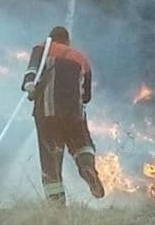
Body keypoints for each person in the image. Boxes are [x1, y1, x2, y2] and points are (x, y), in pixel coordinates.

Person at [22, 26, 105, 205]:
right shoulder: (82, 58)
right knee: (82, 145)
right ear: (67, 41)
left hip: (48, 112)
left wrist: (30, 87)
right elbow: (87, 97)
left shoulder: (42, 48)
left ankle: (56, 204)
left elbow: (31, 73)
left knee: (51, 157)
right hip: (75, 114)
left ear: (51, 38)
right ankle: (87, 168)